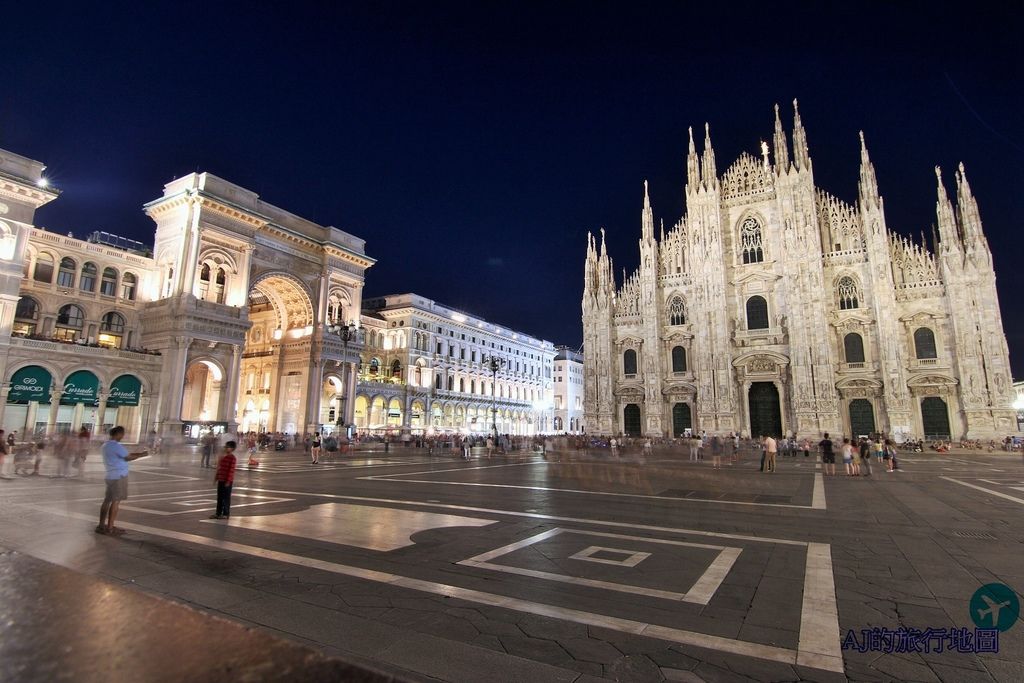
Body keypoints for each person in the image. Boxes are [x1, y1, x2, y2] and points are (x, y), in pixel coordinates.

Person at [96, 426, 147, 536]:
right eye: (122, 434)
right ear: (118, 434)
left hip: (109, 475)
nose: (123, 436)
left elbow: (123, 456)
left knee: (107, 501)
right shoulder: (116, 446)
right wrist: (143, 454)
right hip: (119, 476)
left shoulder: (105, 445)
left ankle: (101, 525)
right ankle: (110, 527)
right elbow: (128, 457)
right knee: (116, 501)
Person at [211, 440, 237, 520]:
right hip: (221, 480)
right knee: (219, 497)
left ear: (232, 449)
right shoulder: (223, 457)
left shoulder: (232, 458)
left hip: (227, 481)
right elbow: (219, 468)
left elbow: (231, 471)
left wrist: (228, 481)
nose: (225, 448)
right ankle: (218, 513)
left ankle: (226, 514)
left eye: (227, 447)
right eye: (225, 447)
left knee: (226, 498)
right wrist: (216, 478)